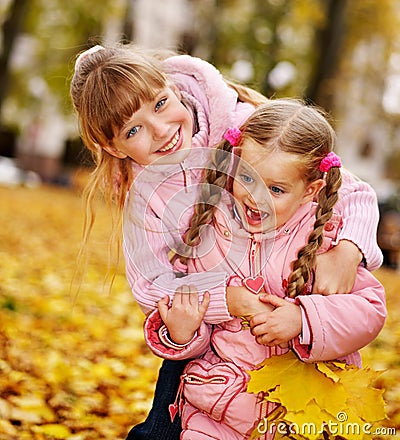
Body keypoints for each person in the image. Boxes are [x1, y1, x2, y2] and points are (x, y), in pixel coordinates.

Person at [70, 43, 383, 439]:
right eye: (134, 130)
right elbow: (155, 286)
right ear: (113, 147)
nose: (161, 130)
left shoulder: (248, 127)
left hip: (292, 308)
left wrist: (347, 250)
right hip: (212, 338)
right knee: (162, 430)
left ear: (173, 86)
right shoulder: (146, 196)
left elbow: (348, 189)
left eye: (161, 104)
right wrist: (226, 301)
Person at [143, 99, 387, 439]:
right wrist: (183, 333)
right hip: (218, 408)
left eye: (275, 189)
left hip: (300, 417)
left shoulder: (326, 240)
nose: (256, 197)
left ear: (310, 191)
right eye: (246, 177)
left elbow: (369, 309)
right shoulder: (210, 235)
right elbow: (200, 324)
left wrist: (304, 321)